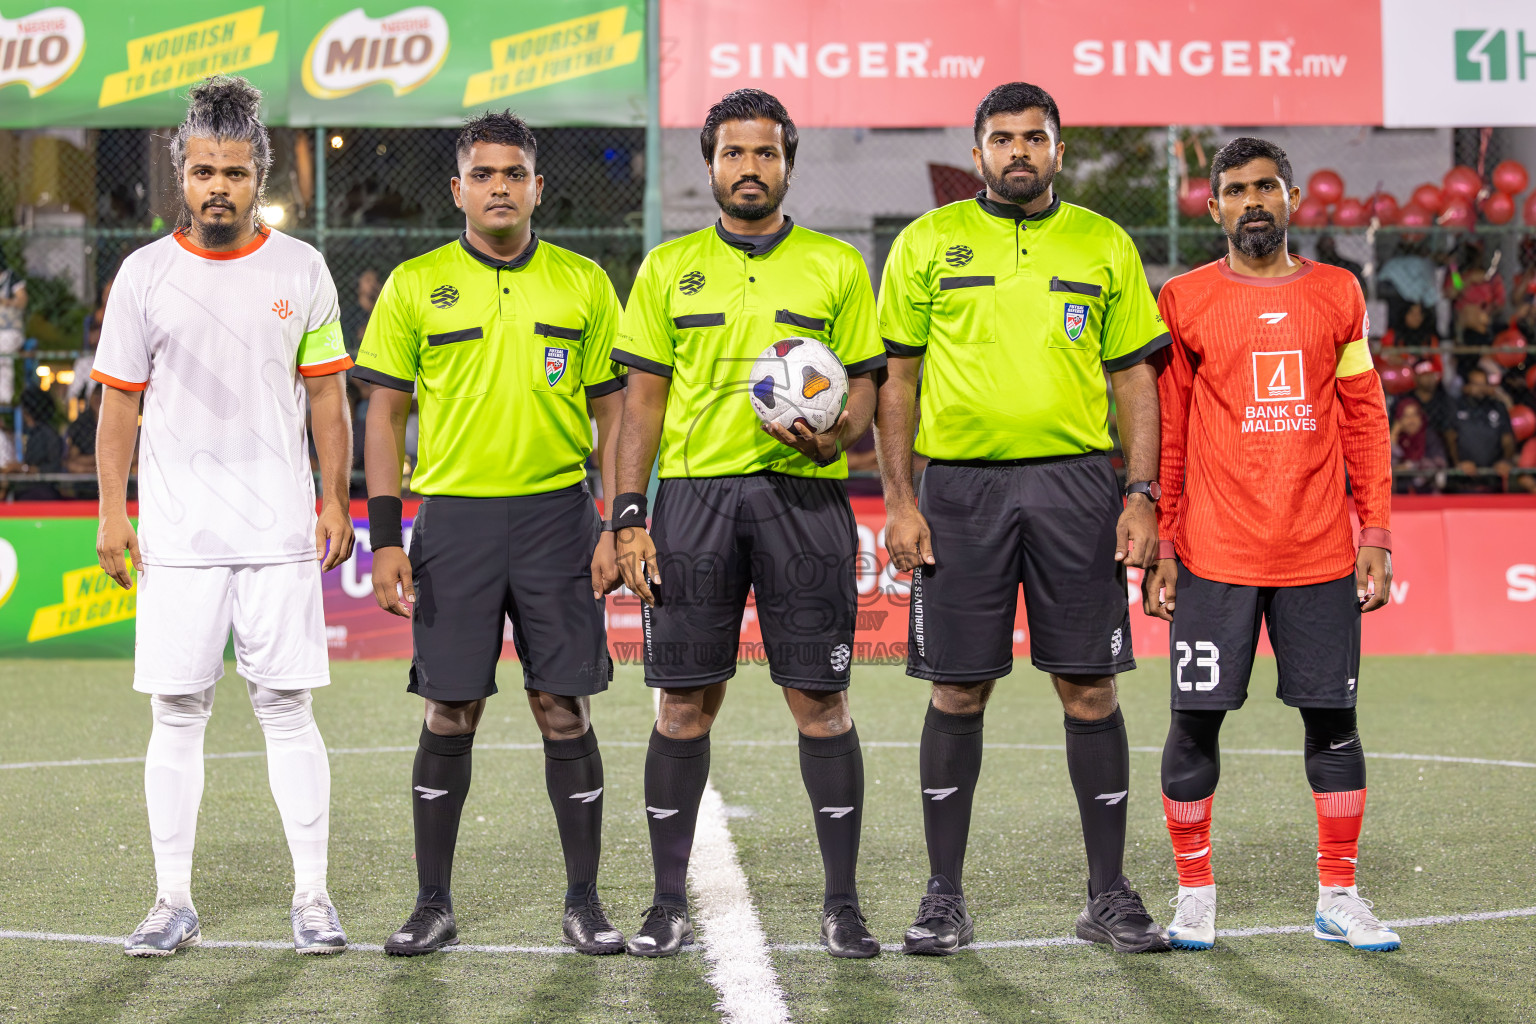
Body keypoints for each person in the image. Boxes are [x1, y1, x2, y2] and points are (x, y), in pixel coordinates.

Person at [876, 82, 1169, 955]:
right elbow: (897, 378)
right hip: (959, 492)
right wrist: (899, 499)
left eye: (1033, 138)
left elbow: (1133, 381)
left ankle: (1109, 895)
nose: (1017, 151)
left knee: (1089, 686)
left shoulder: (1102, 242)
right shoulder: (927, 243)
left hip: (1077, 485)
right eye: (1001, 138)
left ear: (1057, 151)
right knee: (959, 688)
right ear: (976, 153)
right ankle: (942, 897)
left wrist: (1142, 493)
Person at [610, 89, 886, 959]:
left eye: (765, 154)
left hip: (805, 497)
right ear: (711, 165)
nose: (750, 169)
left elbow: (868, 385)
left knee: (822, 702)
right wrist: (628, 515)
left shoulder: (837, 267)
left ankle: (842, 904)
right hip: (693, 502)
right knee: (683, 706)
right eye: (734, 154)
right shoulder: (667, 269)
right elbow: (638, 407)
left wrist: (837, 432)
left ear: (787, 163)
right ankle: (664, 903)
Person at [353, 110, 628, 957]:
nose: (500, 186)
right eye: (484, 174)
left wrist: (619, 520)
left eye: (515, 173)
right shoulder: (414, 284)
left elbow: (615, 412)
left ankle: (583, 901)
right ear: (458, 189)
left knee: (562, 708)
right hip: (454, 523)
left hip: (556, 517)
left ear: (538, 186)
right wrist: (388, 536)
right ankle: (432, 903)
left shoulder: (583, 282)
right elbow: (384, 412)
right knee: (450, 710)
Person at [91, 75, 355, 957]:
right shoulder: (143, 275)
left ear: (259, 176)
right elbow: (118, 408)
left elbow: (328, 399)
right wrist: (111, 513)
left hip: (279, 534)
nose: (218, 187)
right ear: (180, 173)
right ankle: (173, 901)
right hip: (178, 537)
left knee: (287, 709)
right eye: (203, 170)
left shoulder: (302, 267)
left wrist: (331, 496)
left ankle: (312, 897)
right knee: (177, 712)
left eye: (235, 172)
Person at [1146, 137, 1399, 953]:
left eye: (1266, 187)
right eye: (1234, 190)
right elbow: (1172, 432)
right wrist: (1166, 547)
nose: (1251, 202)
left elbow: (1364, 417)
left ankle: (1338, 893)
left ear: (1292, 198)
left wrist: (1378, 531)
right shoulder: (1182, 301)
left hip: (1321, 553)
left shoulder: (1339, 293)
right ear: (1212, 206)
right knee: (1194, 725)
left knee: (1335, 724)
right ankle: (1195, 894)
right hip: (1216, 556)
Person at [1447, 367, 1516, 492]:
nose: (1480, 388)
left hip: (1493, 472)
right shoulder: (1456, 406)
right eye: (1476, 384)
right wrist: (1458, 463)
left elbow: (1507, 438)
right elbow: (1450, 437)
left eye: (1484, 384)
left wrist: (1506, 461)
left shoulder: (1498, 406)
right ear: (1466, 386)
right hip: (1464, 475)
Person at [1390, 399, 1447, 494]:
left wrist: (1409, 466)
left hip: (1427, 494)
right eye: (1406, 416)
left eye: (1414, 415)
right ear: (1399, 420)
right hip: (1400, 496)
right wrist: (1393, 436)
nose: (1411, 420)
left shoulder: (1429, 437)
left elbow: (1440, 463)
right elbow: (1387, 466)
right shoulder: (1397, 439)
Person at [0, 252, 25, 407]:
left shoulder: (11, 277)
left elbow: (22, 301)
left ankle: (4, 398)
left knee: (3, 351)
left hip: (10, 330)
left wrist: (5, 302)